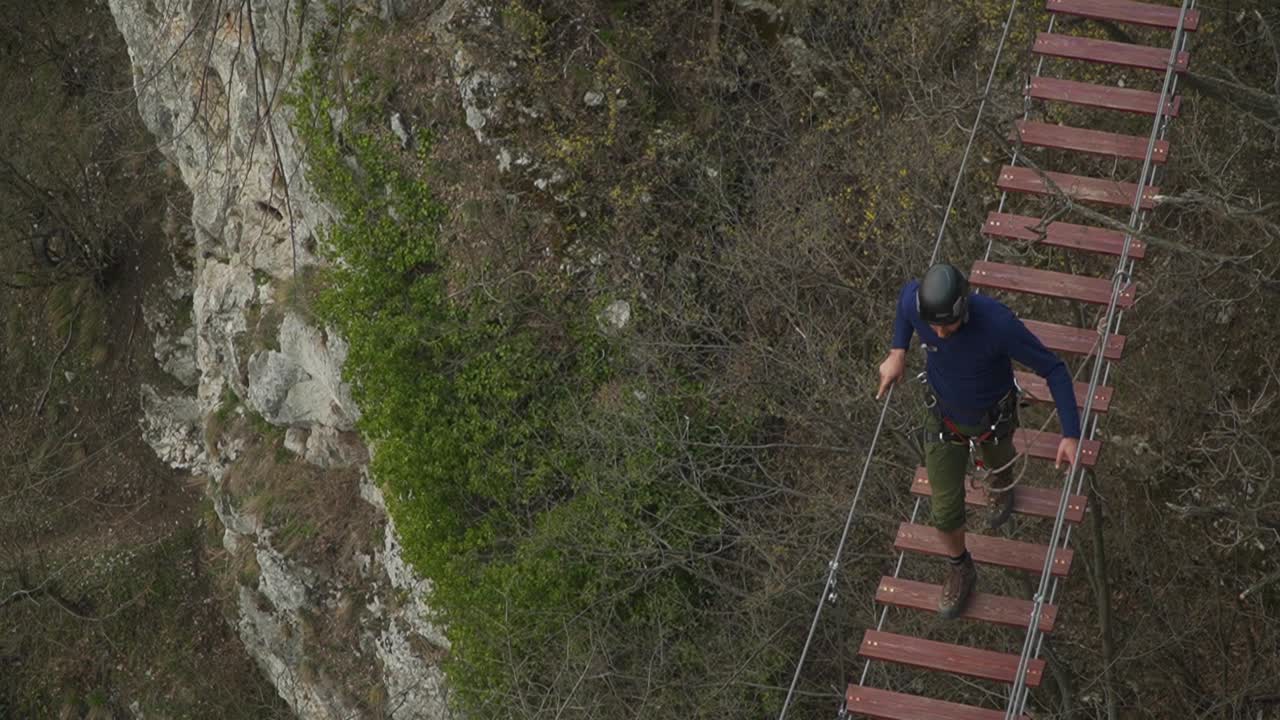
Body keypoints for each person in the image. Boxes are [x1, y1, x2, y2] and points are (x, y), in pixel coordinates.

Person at [876, 262, 1081, 619]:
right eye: (933, 326)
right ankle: (960, 566)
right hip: (944, 419)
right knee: (943, 512)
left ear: (964, 309)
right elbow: (903, 302)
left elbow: (1054, 369)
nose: (939, 334)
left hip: (993, 419)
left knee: (999, 461)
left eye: (947, 325)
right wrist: (898, 351)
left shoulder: (998, 324)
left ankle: (1001, 481)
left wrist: (1071, 434)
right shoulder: (917, 306)